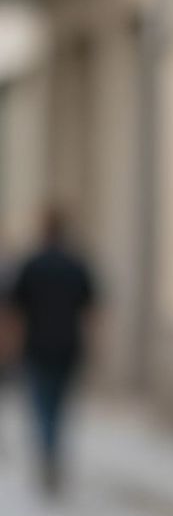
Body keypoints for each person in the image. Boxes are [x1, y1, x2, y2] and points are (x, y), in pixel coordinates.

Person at [7, 203, 98, 496]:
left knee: (42, 404)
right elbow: (92, 309)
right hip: (68, 345)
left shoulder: (31, 264)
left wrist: (10, 343)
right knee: (59, 405)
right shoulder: (76, 264)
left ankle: (47, 453)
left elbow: (13, 309)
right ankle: (52, 451)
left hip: (36, 345)